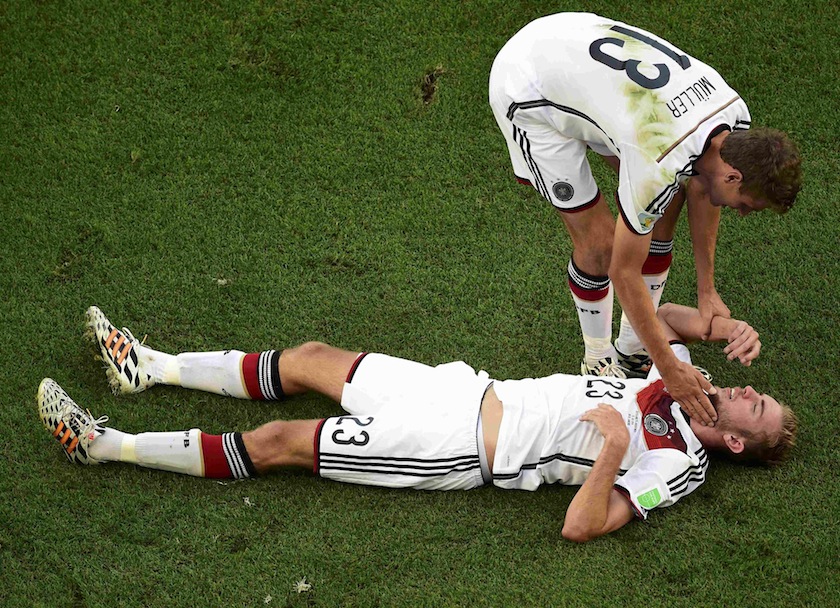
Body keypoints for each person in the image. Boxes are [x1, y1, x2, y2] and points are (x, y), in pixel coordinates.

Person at [39, 305, 796, 542]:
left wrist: (616, 450)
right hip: (459, 389)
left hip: (453, 447)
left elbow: (581, 528)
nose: (744, 390)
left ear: (733, 441)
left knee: (280, 444)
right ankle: (151, 366)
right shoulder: (680, 379)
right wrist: (705, 332)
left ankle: (105, 447)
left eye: (752, 405)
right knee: (309, 357)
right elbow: (648, 315)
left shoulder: (678, 469)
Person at [488, 12, 802, 426]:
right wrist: (670, 369)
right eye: (747, 203)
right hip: (529, 85)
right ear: (734, 175)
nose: (741, 212)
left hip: (577, 52)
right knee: (601, 245)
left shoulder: (734, 121)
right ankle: (597, 360)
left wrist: (707, 291)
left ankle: (635, 348)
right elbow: (624, 271)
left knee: (664, 204)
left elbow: (701, 187)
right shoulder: (661, 158)